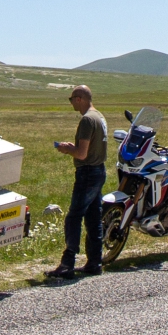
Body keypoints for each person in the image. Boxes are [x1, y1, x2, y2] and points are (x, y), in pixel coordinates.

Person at [50, 84, 109, 278]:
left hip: (87, 172)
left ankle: (67, 263)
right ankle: (95, 262)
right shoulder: (99, 117)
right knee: (93, 217)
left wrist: (67, 149)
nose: (71, 103)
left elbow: (82, 154)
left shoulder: (87, 120)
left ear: (79, 99)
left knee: (74, 217)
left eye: (71, 99)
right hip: (99, 170)